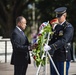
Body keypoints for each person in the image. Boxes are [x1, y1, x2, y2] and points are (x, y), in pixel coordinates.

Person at [44, 7, 74, 75]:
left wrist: (51, 47)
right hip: (54, 55)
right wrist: (46, 44)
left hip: (63, 56)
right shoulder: (57, 27)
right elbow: (53, 39)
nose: (58, 18)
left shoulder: (68, 27)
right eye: (57, 16)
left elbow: (64, 40)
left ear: (64, 15)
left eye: (59, 16)